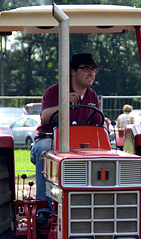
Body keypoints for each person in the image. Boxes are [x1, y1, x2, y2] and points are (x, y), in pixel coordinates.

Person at [31, 53, 104, 205]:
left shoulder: (92, 96)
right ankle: (44, 207)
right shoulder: (55, 92)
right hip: (50, 138)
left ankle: (96, 204)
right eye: (85, 69)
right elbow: (45, 117)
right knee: (45, 147)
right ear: (72, 71)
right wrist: (64, 105)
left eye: (94, 70)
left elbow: (98, 123)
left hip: (80, 143)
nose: (91, 73)